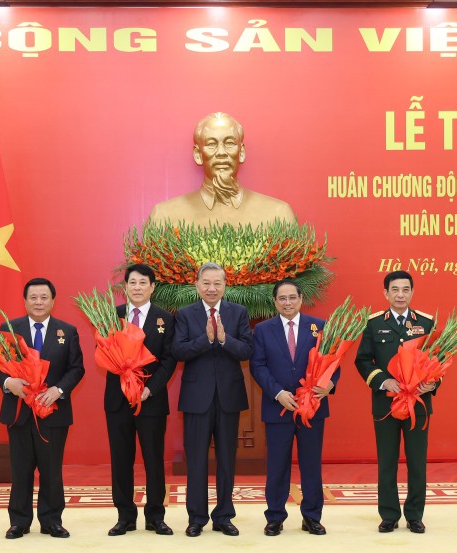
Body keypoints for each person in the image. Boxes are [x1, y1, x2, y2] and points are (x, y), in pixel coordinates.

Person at [0, 278, 85, 539]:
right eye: (33, 297)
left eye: (44, 297)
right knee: (20, 469)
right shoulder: (9, 329)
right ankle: (19, 521)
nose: (38, 302)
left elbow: (76, 368)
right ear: (25, 301)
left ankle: (51, 520)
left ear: (53, 301)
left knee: (51, 469)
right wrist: (9, 383)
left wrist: (59, 390)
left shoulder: (67, 331)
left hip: (52, 411)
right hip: (19, 411)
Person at [172, 262, 253, 537]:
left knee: (227, 460)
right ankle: (196, 518)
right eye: (206, 283)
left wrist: (224, 339)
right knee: (196, 460)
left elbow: (247, 350)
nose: (211, 288)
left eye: (217, 283)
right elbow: (178, 351)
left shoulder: (238, 312)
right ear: (197, 286)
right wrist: (205, 340)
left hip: (229, 397)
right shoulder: (185, 314)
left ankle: (224, 516)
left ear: (225, 285)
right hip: (197, 399)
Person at [250, 279, 336, 536]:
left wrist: (330, 384)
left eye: (292, 297)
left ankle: (312, 517)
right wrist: (278, 393)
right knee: (277, 465)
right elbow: (257, 366)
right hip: (278, 407)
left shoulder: (319, 326)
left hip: (312, 408)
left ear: (301, 299)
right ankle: (275, 517)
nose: (287, 302)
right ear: (275, 302)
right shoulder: (263, 330)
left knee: (311, 465)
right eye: (282, 298)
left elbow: (333, 361)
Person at [354, 270, 436, 534]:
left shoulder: (426, 323)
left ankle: (414, 515)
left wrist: (433, 382)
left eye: (405, 289)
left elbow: (439, 358)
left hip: (418, 404)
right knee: (387, 461)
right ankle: (389, 514)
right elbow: (363, 360)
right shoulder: (374, 323)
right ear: (386, 293)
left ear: (412, 292)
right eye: (395, 290)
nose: (400, 295)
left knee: (417, 462)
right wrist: (382, 381)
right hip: (386, 405)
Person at [106, 264, 177, 536]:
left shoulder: (165, 319)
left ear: (152, 287)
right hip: (118, 400)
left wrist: (150, 389)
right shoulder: (112, 316)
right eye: (132, 282)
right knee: (121, 459)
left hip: (151, 401)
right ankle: (124, 516)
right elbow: (105, 353)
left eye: (143, 282)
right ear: (125, 287)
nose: (137, 287)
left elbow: (169, 360)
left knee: (154, 459)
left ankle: (155, 516)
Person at [148, 112, 296, 227]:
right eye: (211, 144)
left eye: (229, 143)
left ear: (241, 152)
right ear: (198, 155)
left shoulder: (279, 215)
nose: (221, 152)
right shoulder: (164, 217)